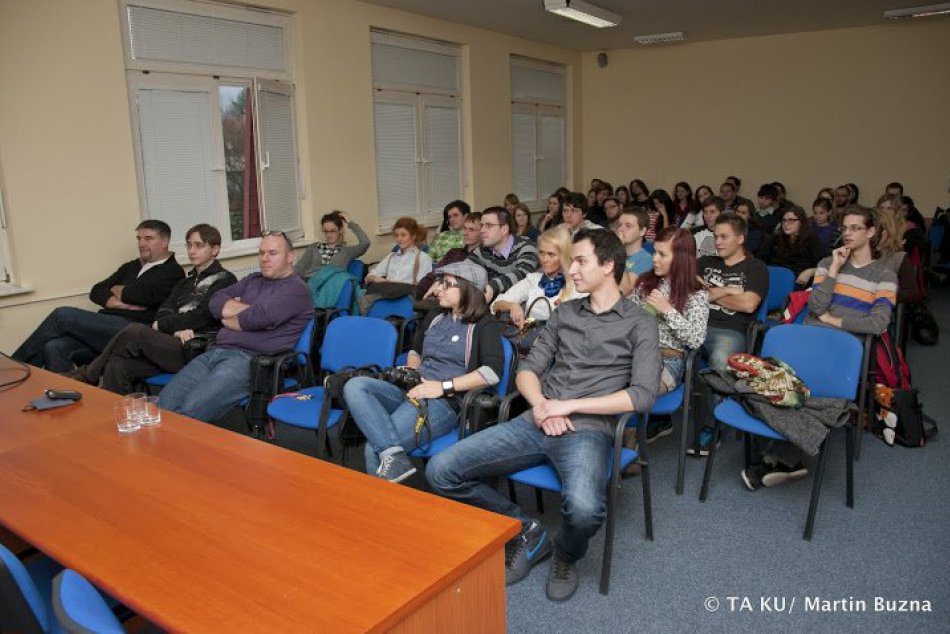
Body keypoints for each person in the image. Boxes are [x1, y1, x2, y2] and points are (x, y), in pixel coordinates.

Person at [427, 229, 660, 603]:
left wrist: (566, 406)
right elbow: (527, 371)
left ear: (608, 266)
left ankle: (565, 554)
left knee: (585, 510)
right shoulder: (565, 312)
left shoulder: (639, 323)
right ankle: (525, 529)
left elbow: (643, 394)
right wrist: (540, 406)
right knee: (441, 470)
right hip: (534, 419)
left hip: (587, 430)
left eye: (581, 261)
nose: (573, 270)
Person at [743, 206, 896, 491]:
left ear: (871, 232)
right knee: (771, 382)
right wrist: (835, 271)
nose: (847, 234)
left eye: (855, 228)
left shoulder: (884, 276)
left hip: (845, 346)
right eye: (844, 228)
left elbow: (877, 323)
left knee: (802, 390)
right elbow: (815, 306)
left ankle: (780, 457)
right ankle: (786, 458)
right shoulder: (828, 262)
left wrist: (834, 320)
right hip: (810, 335)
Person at [345, 261, 506, 482]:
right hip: (413, 389)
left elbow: (491, 373)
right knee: (355, 385)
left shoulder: (484, 325)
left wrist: (442, 387)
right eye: (440, 282)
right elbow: (415, 349)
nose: (438, 289)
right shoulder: (436, 316)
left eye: (447, 284)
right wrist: (413, 365)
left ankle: (382, 508)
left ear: (469, 290)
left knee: (373, 449)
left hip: (444, 402)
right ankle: (393, 456)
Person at [158, 232, 311, 423]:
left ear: (289, 257)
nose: (264, 259)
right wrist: (245, 315)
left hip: (249, 360)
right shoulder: (253, 280)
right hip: (215, 352)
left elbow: (259, 317)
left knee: (190, 411)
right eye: (261, 252)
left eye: (272, 253)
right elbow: (214, 303)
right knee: (163, 405)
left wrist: (229, 317)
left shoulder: (296, 289)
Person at [70, 224, 237, 394]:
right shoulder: (185, 282)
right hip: (172, 344)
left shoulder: (225, 280)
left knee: (136, 331)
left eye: (199, 245)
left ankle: (89, 374)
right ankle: (116, 417)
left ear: (215, 250)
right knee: (116, 366)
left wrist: (163, 325)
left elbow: (202, 316)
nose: (192, 251)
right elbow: (163, 310)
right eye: (189, 245)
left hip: (196, 350)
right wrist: (176, 330)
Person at [11, 220, 184, 372]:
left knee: (62, 315)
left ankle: (13, 368)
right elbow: (97, 290)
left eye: (148, 238)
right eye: (139, 239)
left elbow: (140, 295)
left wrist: (118, 290)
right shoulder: (131, 266)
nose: (141, 243)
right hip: (106, 326)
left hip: (133, 330)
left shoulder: (173, 271)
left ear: (165, 242)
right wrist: (120, 304)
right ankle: (63, 399)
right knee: (53, 347)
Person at [624, 227, 708, 458]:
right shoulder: (646, 282)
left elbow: (696, 339)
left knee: (630, 386)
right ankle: (614, 443)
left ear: (681, 258)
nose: (654, 259)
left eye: (662, 254)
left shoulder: (696, 292)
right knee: (599, 376)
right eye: (655, 253)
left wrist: (667, 310)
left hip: (668, 361)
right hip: (635, 352)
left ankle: (626, 445)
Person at [693, 213, 768, 455]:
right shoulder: (704, 262)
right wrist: (727, 290)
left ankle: (710, 427)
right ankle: (656, 419)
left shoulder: (755, 267)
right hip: (696, 324)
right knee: (661, 349)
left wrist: (710, 293)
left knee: (719, 361)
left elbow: (748, 305)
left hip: (730, 330)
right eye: (716, 236)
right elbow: (693, 296)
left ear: (740, 238)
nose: (718, 242)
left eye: (724, 237)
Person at [490, 225, 584, 326]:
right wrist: (512, 306)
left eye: (551, 254)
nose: (544, 259)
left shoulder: (579, 285)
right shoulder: (533, 280)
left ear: (564, 255)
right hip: (528, 338)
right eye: (541, 253)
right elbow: (495, 304)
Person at [468, 206, 540, 301]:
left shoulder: (527, 247)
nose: (482, 230)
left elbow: (523, 274)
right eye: (482, 225)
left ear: (504, 229)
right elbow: (465, 268)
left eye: (488, 225)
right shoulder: (482, 250)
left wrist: (493, 286)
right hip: (493, 307)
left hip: (521, 307)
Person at [416, 212, 482, 300]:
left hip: (455, 300)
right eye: (465, 228)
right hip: (432, 296)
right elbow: (433, 274)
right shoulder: (454, 252)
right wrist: (418, 292)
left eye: (471, 230)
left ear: (482, 232)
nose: (465, 233)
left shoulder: (483, 258)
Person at [759, 206, 825, 287]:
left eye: (791, 220)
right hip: (773, 281)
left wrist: (810, 271)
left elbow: (824, 266)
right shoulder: (772, 239)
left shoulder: (812, 240)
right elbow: (760, 262)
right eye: (784, 220)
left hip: (799, 284)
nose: (786, 224)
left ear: (801, 222)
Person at [293, 211, 370, 281]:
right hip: (309, 282)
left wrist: (350, 223)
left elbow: (365, 243)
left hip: (330, 285)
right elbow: (299, 267)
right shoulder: (313, 248)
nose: (329, 235)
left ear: (339, 230)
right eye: (326, 232)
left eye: (332, 231)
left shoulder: (347, 252)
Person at [365, 217, 433, 287]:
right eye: (397, 235)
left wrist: (397, 285)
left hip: (407, 295)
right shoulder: (391, 256)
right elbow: (369, 276)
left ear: (413, 236)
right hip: (387, 293)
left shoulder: (423, 258)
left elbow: (423, 285)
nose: (399, 239)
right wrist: (376, 278)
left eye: (403, 235)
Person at [616, 207, 653, 296]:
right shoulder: (611, 253)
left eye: (628, 226)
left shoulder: (646, 258)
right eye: (619, 225)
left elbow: (625, 290)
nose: (621, 229)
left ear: (642, 231)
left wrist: (618, 249)